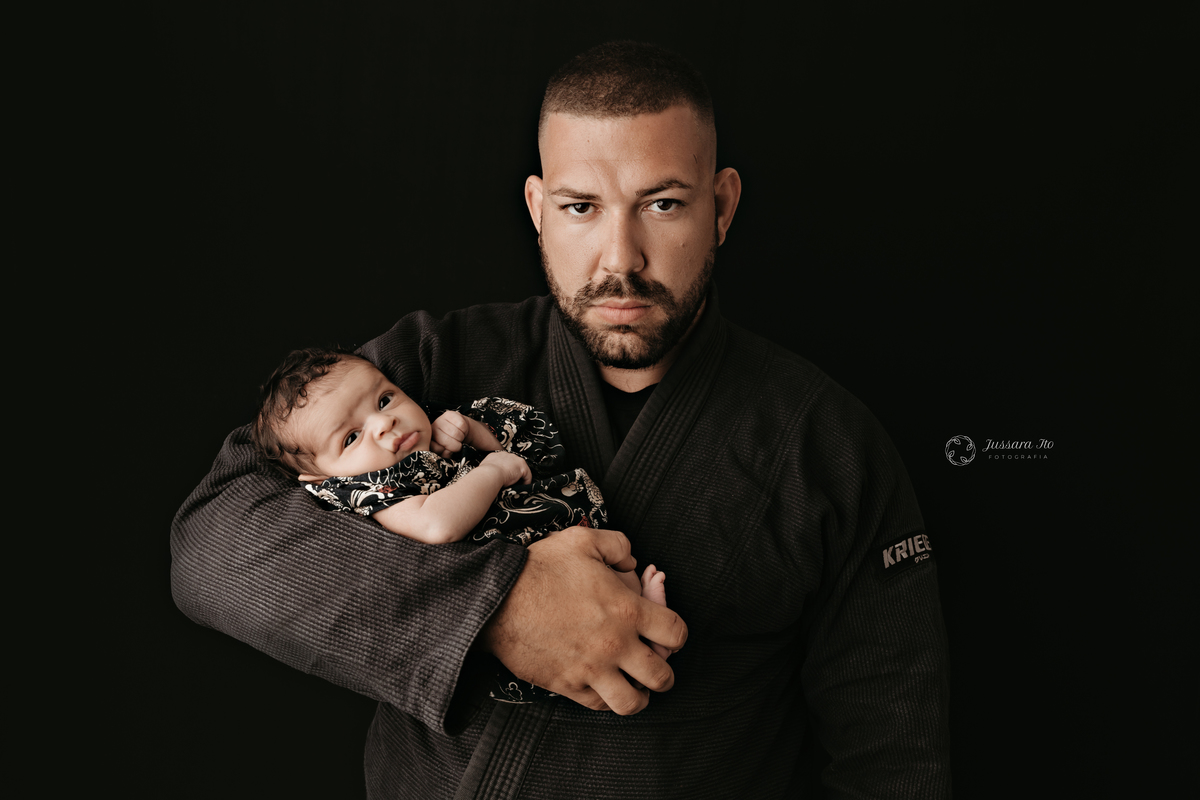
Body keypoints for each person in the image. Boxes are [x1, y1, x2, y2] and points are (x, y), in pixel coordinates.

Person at [172, 40, 951, 798]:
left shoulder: (826, 443)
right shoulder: (429, 368)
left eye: (664, 204)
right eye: (581, 208)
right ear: (538, 210)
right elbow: (212, 541)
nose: (621, 258)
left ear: (721, 207)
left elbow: (894, 754)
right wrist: (500, 608)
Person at [250, 347, 671, 686]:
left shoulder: (428, 434)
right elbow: (438, 524)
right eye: (352, 437)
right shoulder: (374, 491)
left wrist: (471, 430)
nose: (384, 422)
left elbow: (513, 452)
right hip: (517, 583)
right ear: (321, 478)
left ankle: (642, 617)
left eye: (384, 399)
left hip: (560, 533)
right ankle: (643, 642)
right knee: (591, 616)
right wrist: (492, 472)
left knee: (609, 587)